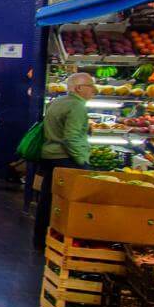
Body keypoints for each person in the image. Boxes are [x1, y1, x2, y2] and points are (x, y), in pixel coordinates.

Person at [32, 72, 93, 248]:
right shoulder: (77, 106)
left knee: (47, 200)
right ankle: (63, 243)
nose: (93, 91)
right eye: (90, 86)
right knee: (67, 203)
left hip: (49, 156)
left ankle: (40, 240)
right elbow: (71, 137)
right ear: (78, 88)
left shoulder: (56, 102)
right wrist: (82, 161)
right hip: (66, 159)